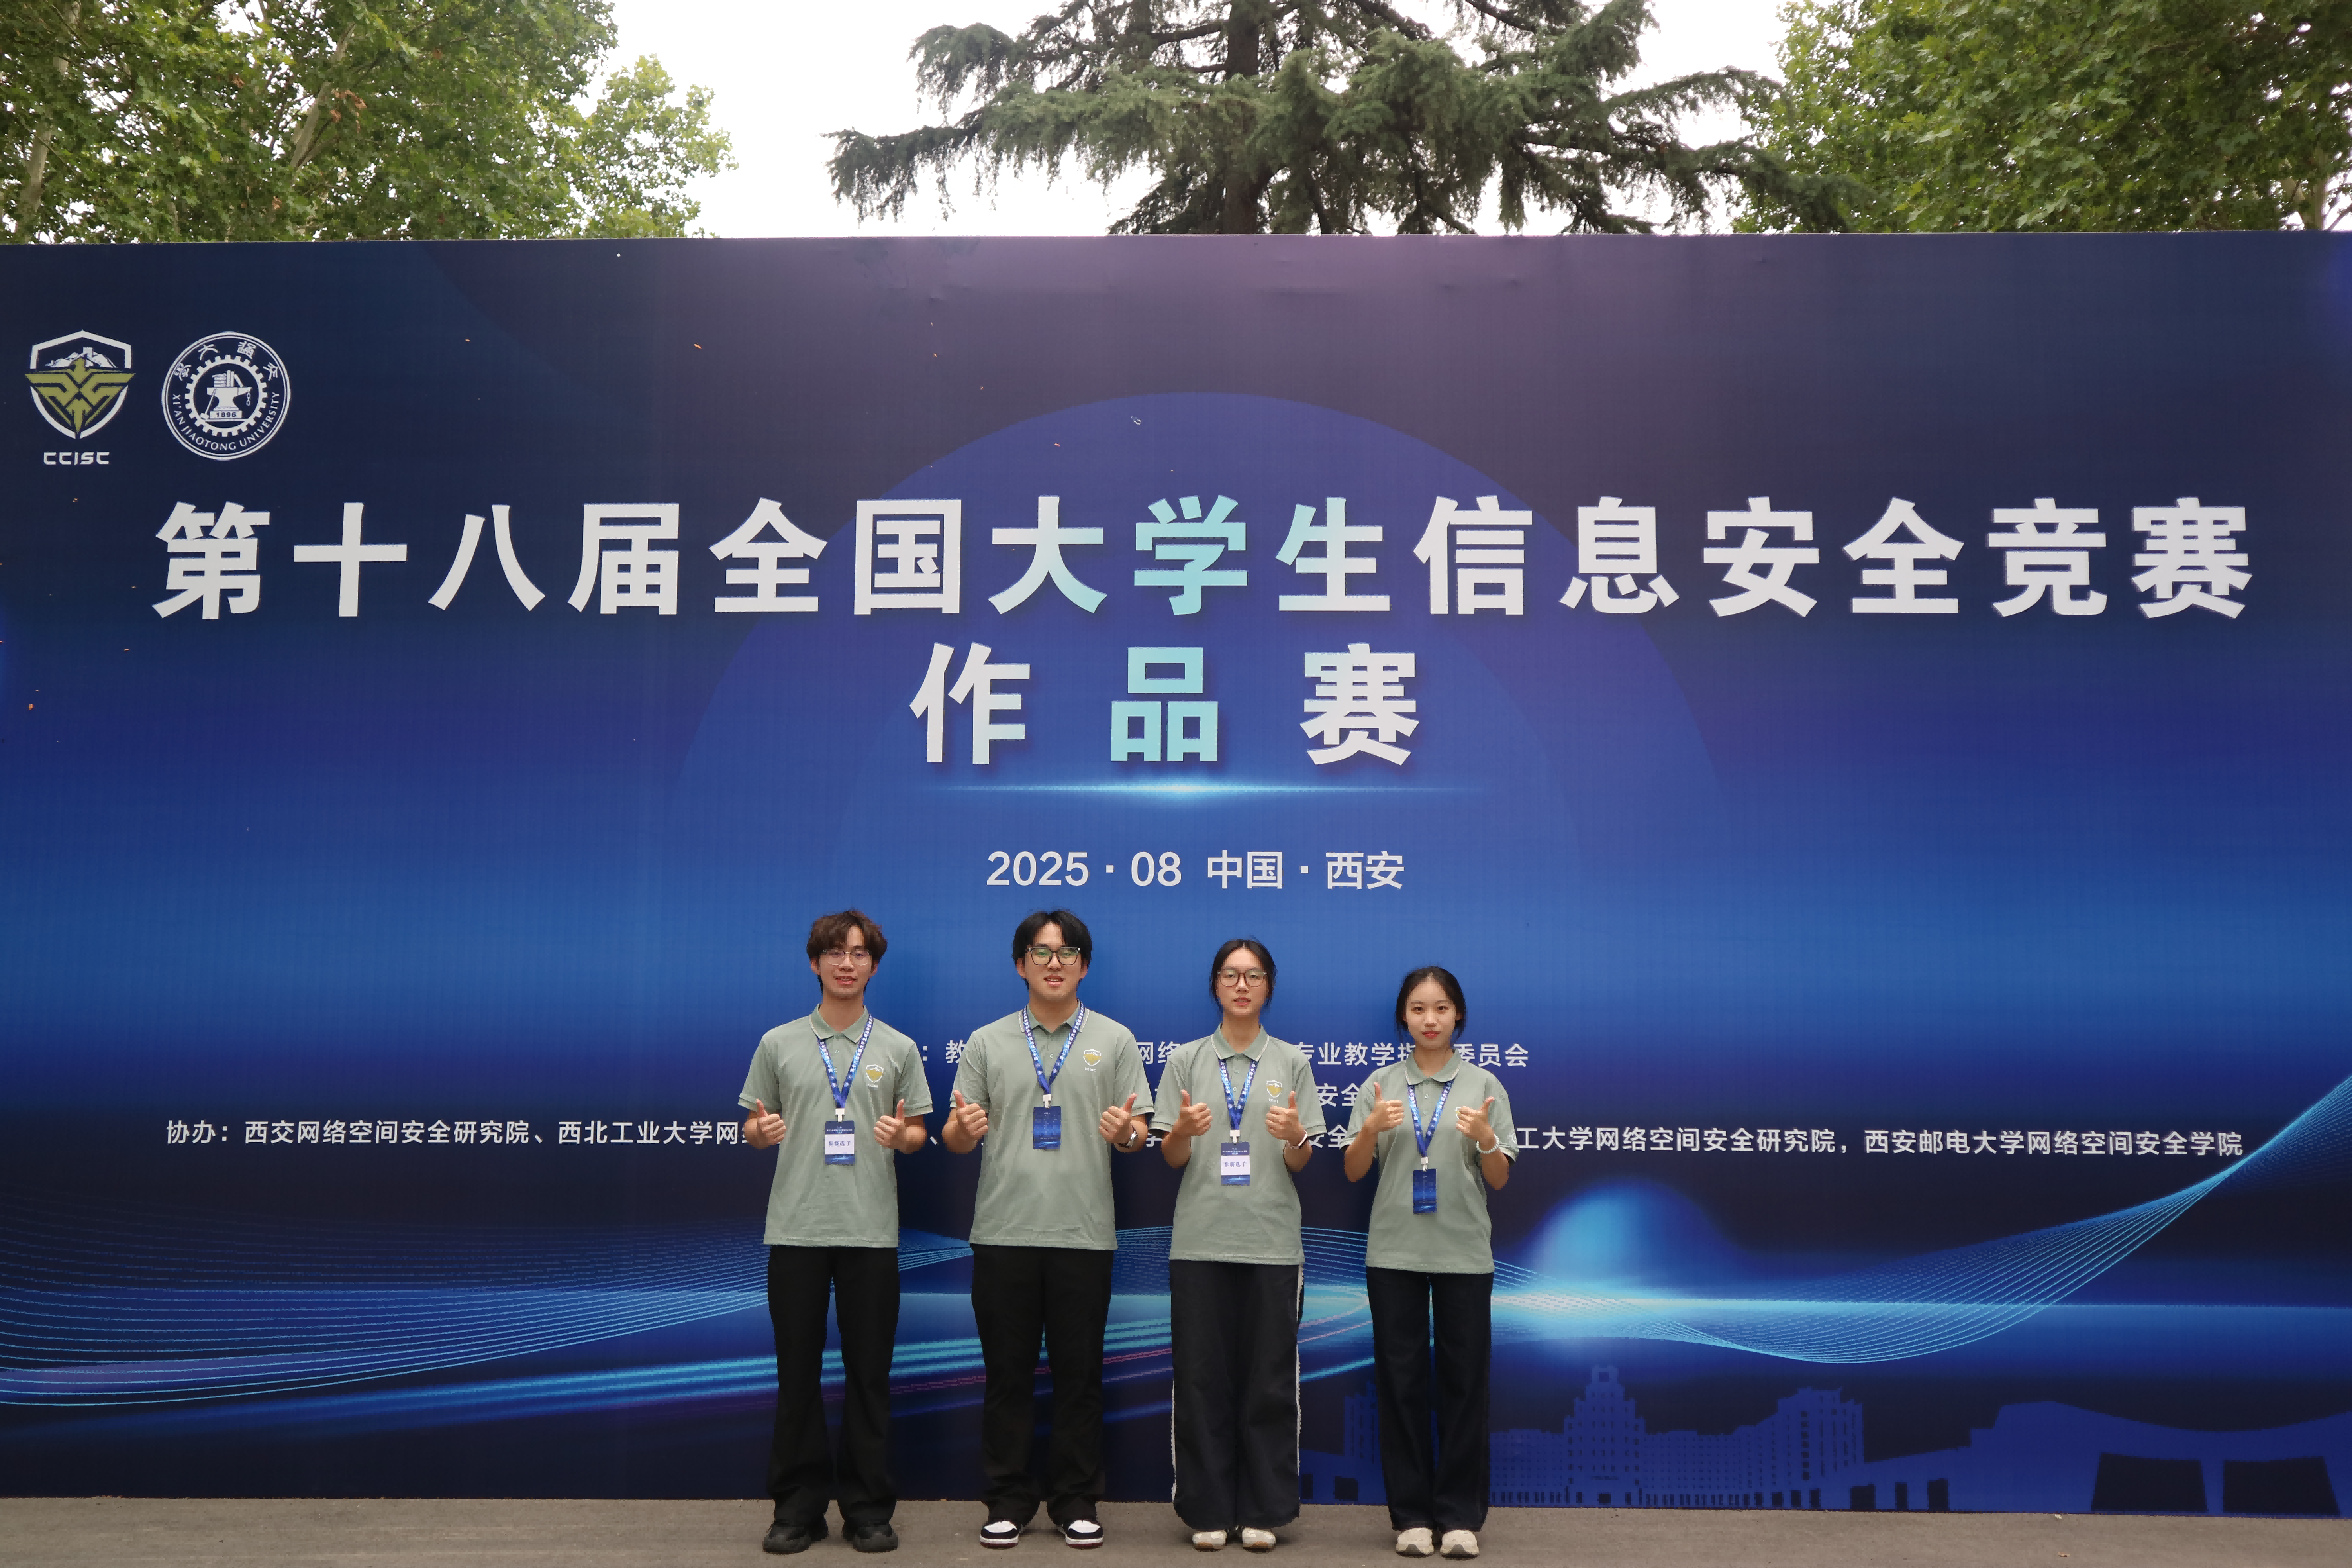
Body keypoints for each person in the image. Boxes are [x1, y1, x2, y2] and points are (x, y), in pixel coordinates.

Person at [944, 909, 1153, 1550]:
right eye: (1041, 952)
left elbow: (1140, 1135)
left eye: (1067, 953)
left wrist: (1127, 1133)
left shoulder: (1115, 1040)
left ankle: (1075, 1500)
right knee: (1006, 1376)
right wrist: (963, 1130)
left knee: (1079, 1377)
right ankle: (1007, 1499)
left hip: (1082, 1235)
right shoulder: (987, 1042)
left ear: (1084, 966)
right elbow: (956, 1137)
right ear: (1021, 964)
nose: (1054, 963)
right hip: (1003, 1233)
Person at [739, 911, 933, 1555]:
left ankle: (868, 1509)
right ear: (815, 962)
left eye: (858, 953)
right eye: (834, 952)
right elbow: (753, 1124)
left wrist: (904, 1136)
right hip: (796, 1229)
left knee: (869, 1374)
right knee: (796, 1373)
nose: (846, 964)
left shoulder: (898, 1048)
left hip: (870, 1232)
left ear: (874, 965)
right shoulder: (779, 1043)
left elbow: (918, 1132)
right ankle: (797, 1509)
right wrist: (759, 1132)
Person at [1152, 938, 1325, 1553]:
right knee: (1200, 1380)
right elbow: (1172, 1156)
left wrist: (1296, 1134)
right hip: (1200, 1242)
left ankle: (1263, 1509)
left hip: (1271, 1244)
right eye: (1230, 974)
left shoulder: (1292, 1062)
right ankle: (1206, 1508)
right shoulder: (1186, 1060)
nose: (1242, 985)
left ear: (1269, 986)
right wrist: (1183, 1130)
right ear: (1216, 985)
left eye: (1253, 975)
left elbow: (1301, 1160)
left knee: (1269, 1382)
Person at [1343, 967, 1517, 1561]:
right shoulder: (1380, 1084)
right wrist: (1370, 1128)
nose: (1430, 1019)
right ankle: (1412, 1517)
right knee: (1401, 1384)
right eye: (1418, 1009)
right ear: (1404, 1017)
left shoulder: (1484, 1084)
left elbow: (1499, 1177)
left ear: (1458, 1015)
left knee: (1465, 1385)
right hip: (1394, 1252)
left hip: (1463, 1253)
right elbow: (1354, 1171)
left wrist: (1487, 1139)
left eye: (1441, 1008)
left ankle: (1461, 1517)